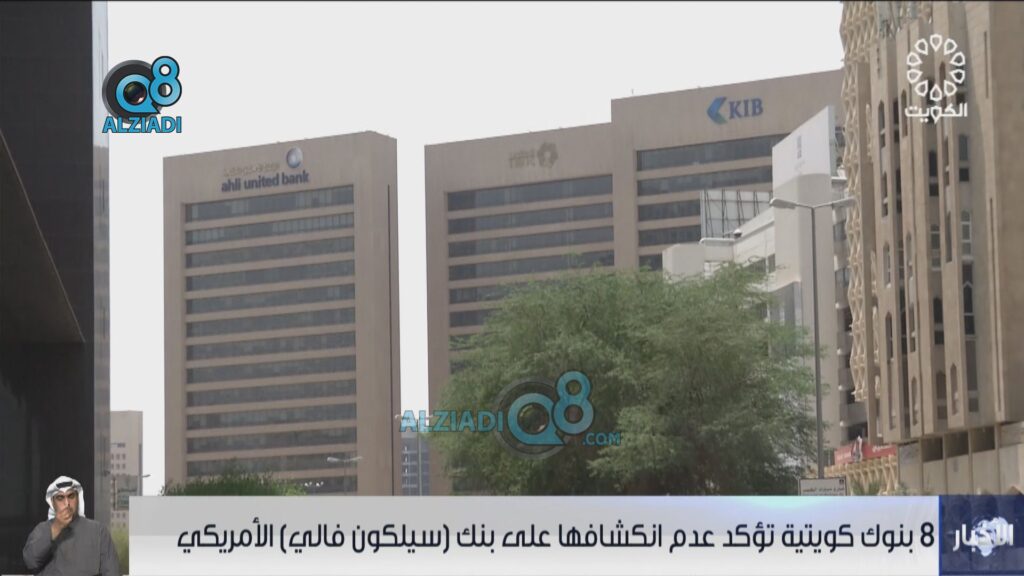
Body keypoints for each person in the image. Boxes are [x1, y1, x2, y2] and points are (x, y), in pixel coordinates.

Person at [23, 475, 120, 576]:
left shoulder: (98, 531)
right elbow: (30, 562)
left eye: (71, 496)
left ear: (78, 498)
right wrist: (56, 528)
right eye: (60, 498)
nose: (67, 503)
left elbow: (112, 571)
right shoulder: (42, 529)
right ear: (52, 502)